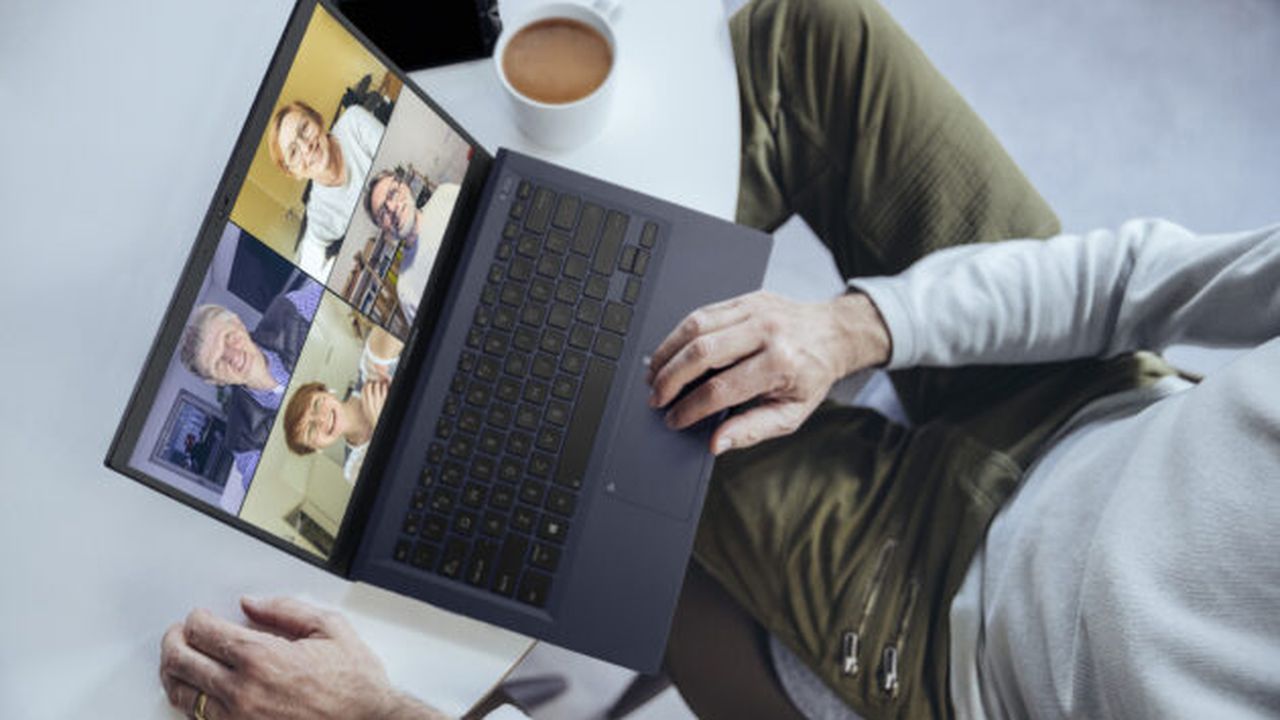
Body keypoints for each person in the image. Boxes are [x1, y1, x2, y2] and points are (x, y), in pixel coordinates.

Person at [158, 0, 1278, 717]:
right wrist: (856, 325)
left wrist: (391, 718)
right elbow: (1144, 281)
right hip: (1104, 409)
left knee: (563, 404)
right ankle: (538, 244)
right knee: (815, 42)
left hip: (952, 645)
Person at [179, 278, 322, 483]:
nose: (233, 356)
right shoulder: (243, 442)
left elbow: (345, 290)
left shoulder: (290, 312)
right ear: (215, 380)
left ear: (238, 323)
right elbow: (267, 495)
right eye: (218, 362)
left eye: (229, 338)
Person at [267, 100, 385, 279]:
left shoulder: (353, 122)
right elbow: (307, 275)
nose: (307, 147)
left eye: (305, 128)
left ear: (318, 120)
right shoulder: (318, 214)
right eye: (293, 152)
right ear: (294, 173)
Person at [280, 326, 403, 483]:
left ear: (327, 392)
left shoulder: (371, 364)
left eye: (317, 405)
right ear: (318, 449)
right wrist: (382, 429)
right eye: (310, 430)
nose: (322, 419)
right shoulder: (353, 469)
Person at [363, 165, 460, 321]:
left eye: (393, 194)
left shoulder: (445, 195)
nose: (392, 208)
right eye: (382, 213)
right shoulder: (406, 289)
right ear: (384, 229)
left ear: (406, 187)